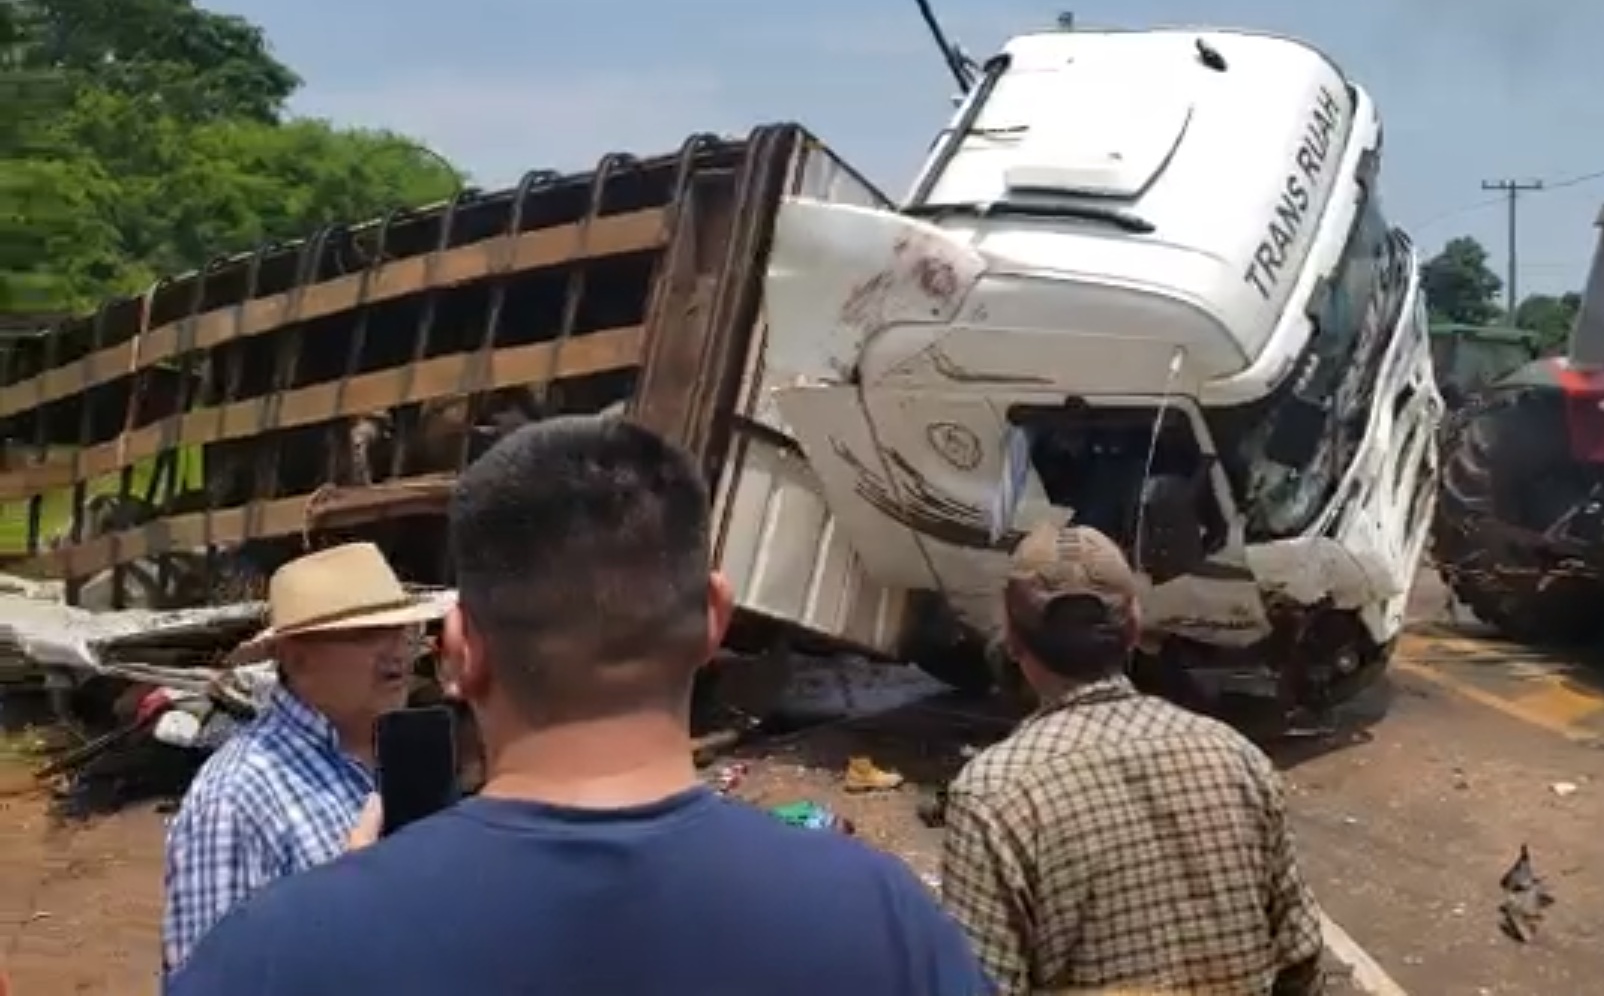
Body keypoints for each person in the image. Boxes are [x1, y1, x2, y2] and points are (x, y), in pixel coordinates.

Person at [167, 416, 989, 996]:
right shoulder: (882, 919)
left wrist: (351, 909)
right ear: (713, 618)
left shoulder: (279, 951)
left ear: (458, 650)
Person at [939, 523, 1326, 995]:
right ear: (1134, 628)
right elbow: (1300, 961)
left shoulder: (992, 798)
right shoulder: (1236, 756)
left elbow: (982, 985)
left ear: (1013, 640)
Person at [162, 541, 446, 971]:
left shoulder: (409, 760)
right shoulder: (237, 798)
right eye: (368, 633)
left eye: (404, 631)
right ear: (298, 658)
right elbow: (212, 979)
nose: (398, 652)